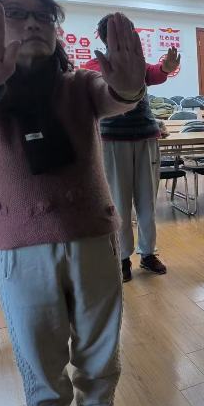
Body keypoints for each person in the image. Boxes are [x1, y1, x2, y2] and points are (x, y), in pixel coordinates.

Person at [0, 0, 145, 406]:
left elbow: (115, 95)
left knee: (100, 341)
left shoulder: (77, 84)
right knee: (37, 350)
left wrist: (130, 84)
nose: (33, 24)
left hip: (91, 234)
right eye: (16, 13)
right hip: (18, 244)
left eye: (44, 15)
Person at [83, 16, 180, 283]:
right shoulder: (94, 66)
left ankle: (147, 253)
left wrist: (167, 67)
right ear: (106, 38)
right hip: (113, 141)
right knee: (119, 203)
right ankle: (123, 258)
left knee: (148, 201)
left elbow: (155, 73)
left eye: (128, 32)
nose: (125, 37)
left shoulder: (138, 64)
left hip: (146, 137)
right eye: (118, 33)